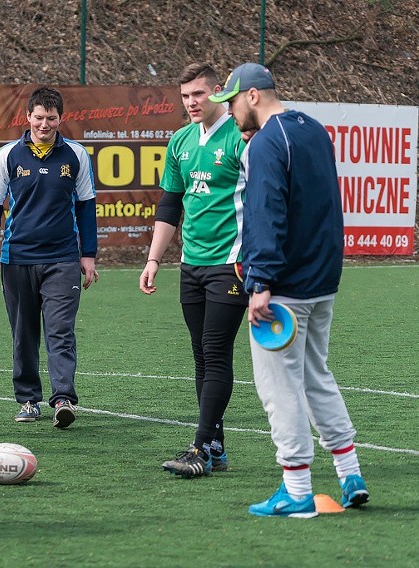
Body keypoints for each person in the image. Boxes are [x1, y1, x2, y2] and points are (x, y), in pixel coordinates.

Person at [209, 62, 370, 517]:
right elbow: (325, 209)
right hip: (323, 281)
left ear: (253, 96)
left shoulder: (265, 142)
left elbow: (266, 214)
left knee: (279, 386)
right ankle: (350, 473)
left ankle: (297, 490)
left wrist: (259, 283)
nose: (232, 112)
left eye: (233, 101)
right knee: (317, 375)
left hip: (284, 287)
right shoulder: (315, 131)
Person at [139, 63, 249, 478]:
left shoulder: (240, 137)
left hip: (231, 263)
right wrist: (153, 260)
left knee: (216, 351)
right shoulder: (180, 140)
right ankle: (216, 447)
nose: (191, 103)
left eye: (199, 95)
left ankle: (200, 448)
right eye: (185, 96)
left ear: (217, 92)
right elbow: (170, 206)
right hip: (192, 264)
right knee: (202, 354)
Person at [0, 86, 98, 429]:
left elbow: (86, 207)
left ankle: (63, 398)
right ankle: (28, 399)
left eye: (52, 118)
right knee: (23, 333)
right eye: (39, 118)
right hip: (16, 258)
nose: (45, 124)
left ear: (61, 119)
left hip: (62, 258)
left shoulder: (76, 155)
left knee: (60, 330)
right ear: (28, 117)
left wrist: (87, 255)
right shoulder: (7, 156)